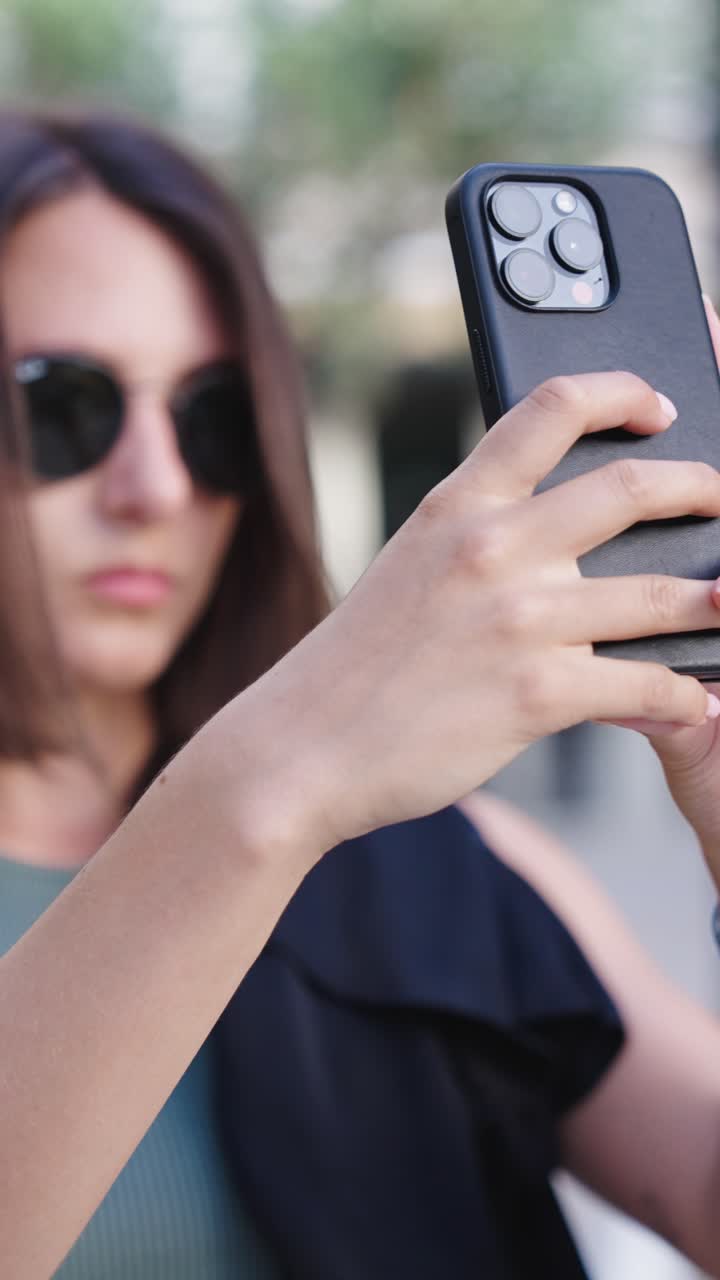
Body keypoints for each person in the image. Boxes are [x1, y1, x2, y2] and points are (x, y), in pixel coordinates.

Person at [2, 107, 720, 1280]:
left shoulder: (448, 864)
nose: (158, 483)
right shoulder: (308, 795)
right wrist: (281, 770)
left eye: (213, 417)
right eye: (63, 405)